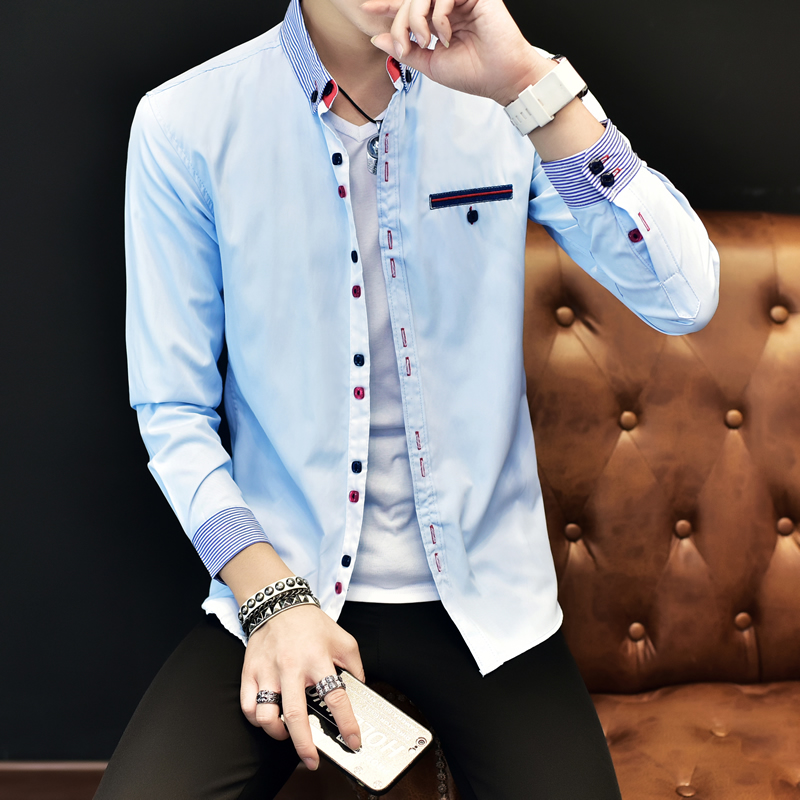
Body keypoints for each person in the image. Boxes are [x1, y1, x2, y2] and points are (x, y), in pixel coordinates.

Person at [97, 0, 719, 797]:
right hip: (281, 575)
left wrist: (524, 82)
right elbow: (173, 412)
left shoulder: (507, 98)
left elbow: (684, 298)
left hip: (489, 603)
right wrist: (270, 597)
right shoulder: (185, 122)